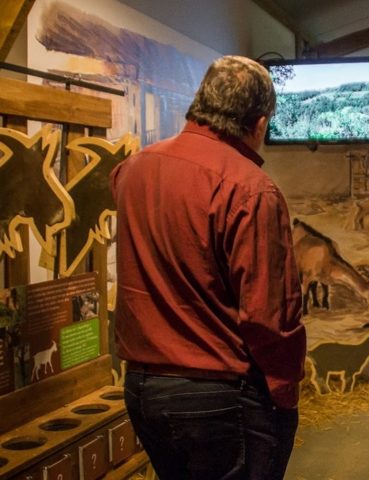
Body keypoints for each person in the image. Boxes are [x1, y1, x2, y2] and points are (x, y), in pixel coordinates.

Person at [110, 55, 306, 480]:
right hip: (221, 396)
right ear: (258, 123)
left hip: (144, 390)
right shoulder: (251, 190)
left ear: (198, 105)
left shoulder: (131, 170)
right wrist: (285, 390)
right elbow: (267, 314)